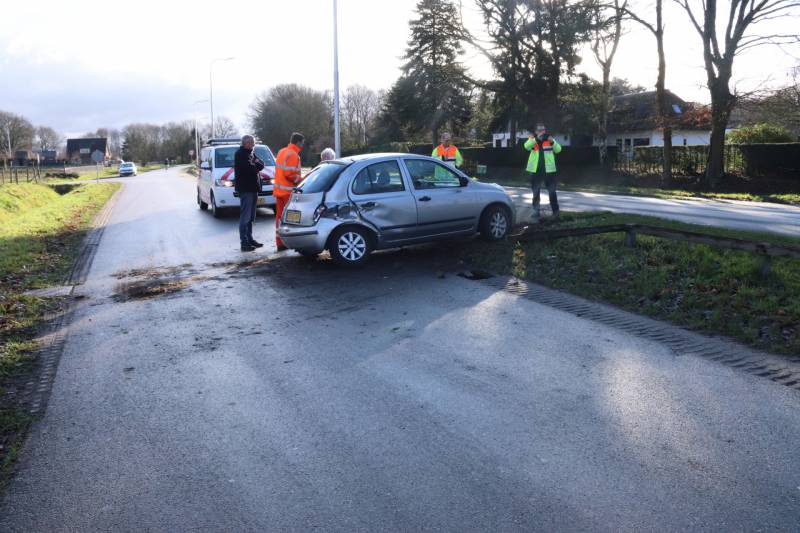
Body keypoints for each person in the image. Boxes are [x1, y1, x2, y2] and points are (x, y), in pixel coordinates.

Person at [273, 132, 305, 251]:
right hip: (288, 192)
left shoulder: (282, 151)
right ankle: (292, 243)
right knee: (292, 219)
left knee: (279, 217)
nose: (303, 144)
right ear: (297, 142)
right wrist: (302, 181)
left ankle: (279, 242)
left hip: (279, 191)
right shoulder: (293, 155)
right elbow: (289, 174)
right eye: (302, 142)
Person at [524, 123, 562, 221]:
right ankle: (536, 211)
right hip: (535, 171)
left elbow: (558, 150)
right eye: (540, 130)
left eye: (544, 130)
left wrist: (552, 141)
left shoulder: (549, 139)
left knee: (552, 192)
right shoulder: (533, 139)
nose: (542, 132)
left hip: (549, 171)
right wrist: (536, 139)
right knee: (536, 192)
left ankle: (556, 212)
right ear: (536, 131)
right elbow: (526, 146)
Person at [234, 134, 265, 251]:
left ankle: (250, 238)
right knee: (245, 217)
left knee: (251, 217)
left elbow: (261, 164)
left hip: (253, 188)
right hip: (246, 189)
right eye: (252, 142)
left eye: (254, 142)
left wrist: (256, 164)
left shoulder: (251, 153)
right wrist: (256, 165)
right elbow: (251, 169)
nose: (254, 144)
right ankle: (244, 242)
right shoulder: (240, 154)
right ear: (246, 143)